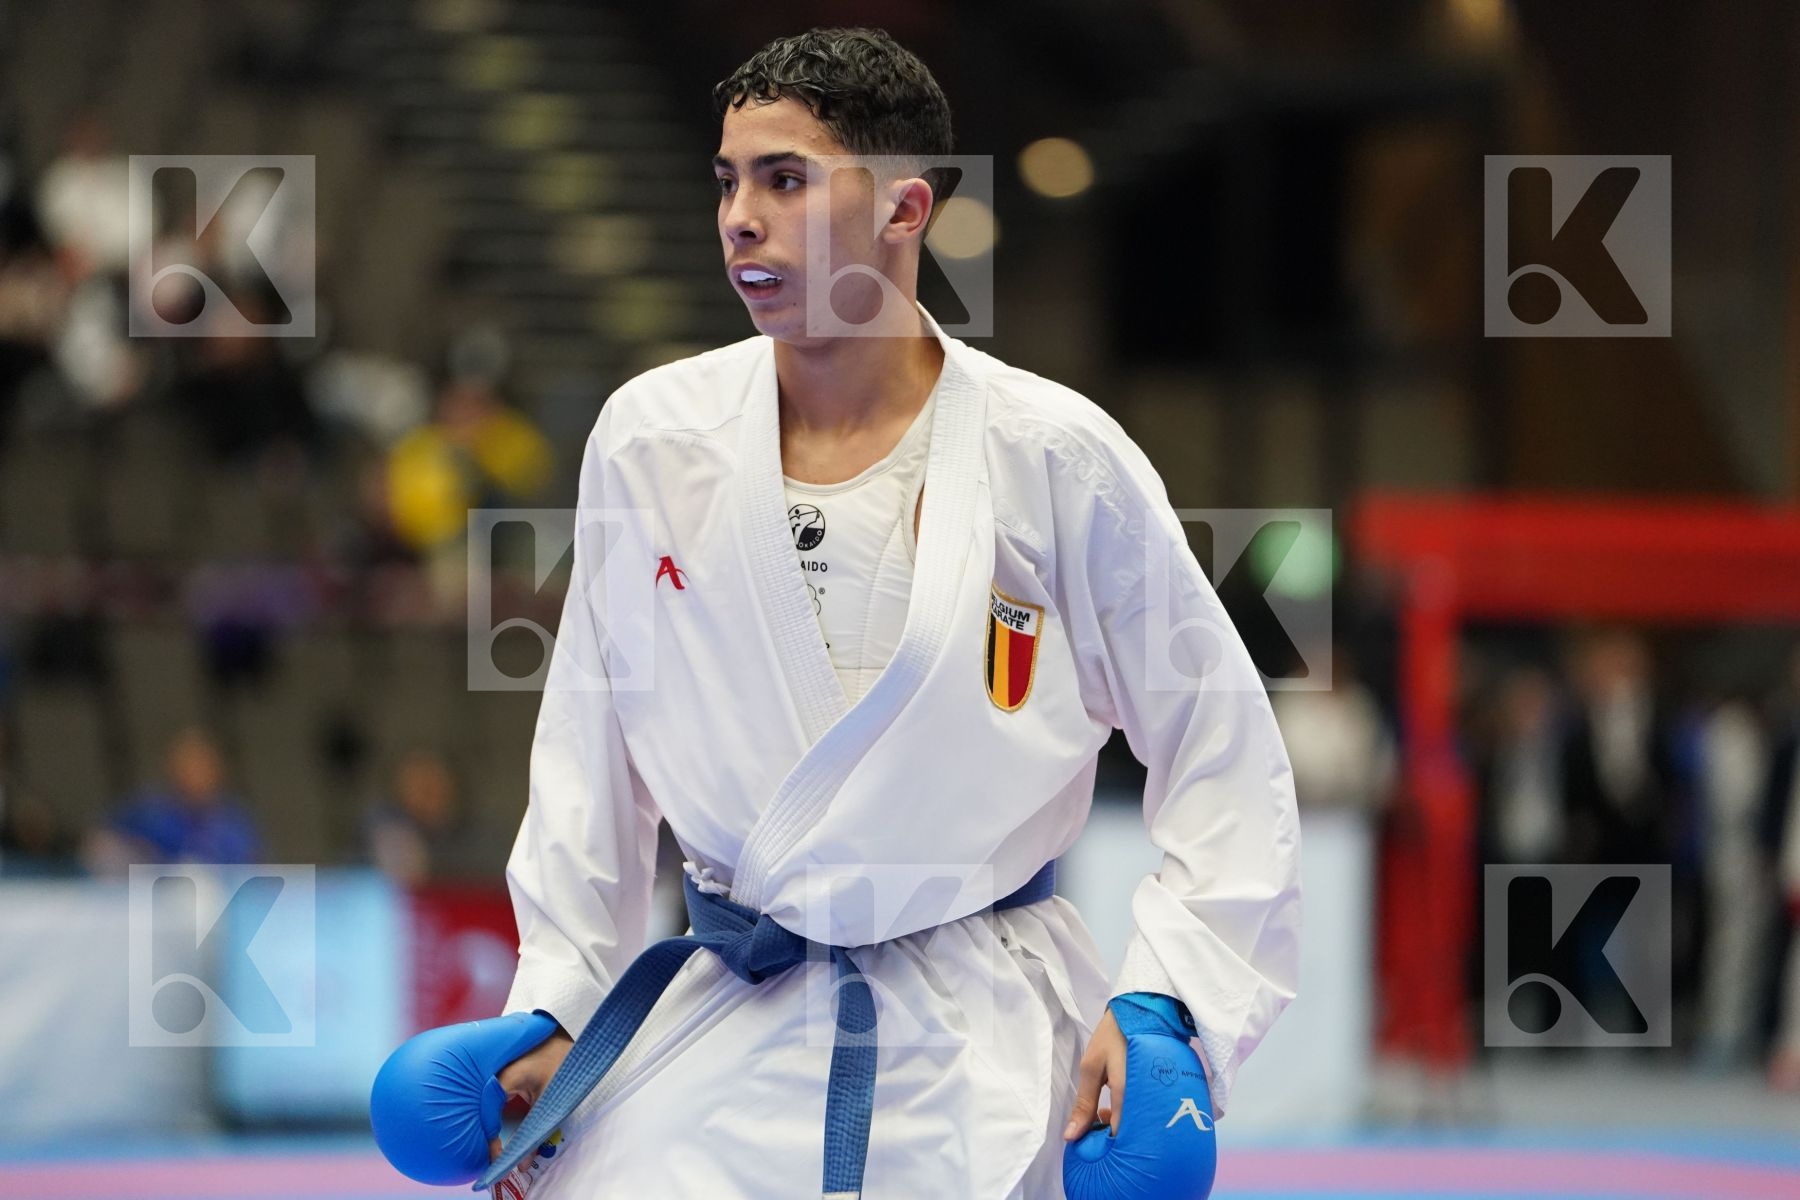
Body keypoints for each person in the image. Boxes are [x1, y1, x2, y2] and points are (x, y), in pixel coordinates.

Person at [478, 27, 1299, 1198]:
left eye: (786, 179)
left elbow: (1220, 746)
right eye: (728, 181)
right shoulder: (653, 440)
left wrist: (1170, 1000)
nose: (740, 219)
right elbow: (587, 756)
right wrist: (557, 996)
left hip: (980, 1033)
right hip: (730, 1015)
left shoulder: (1054, 457)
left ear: (905, 210)